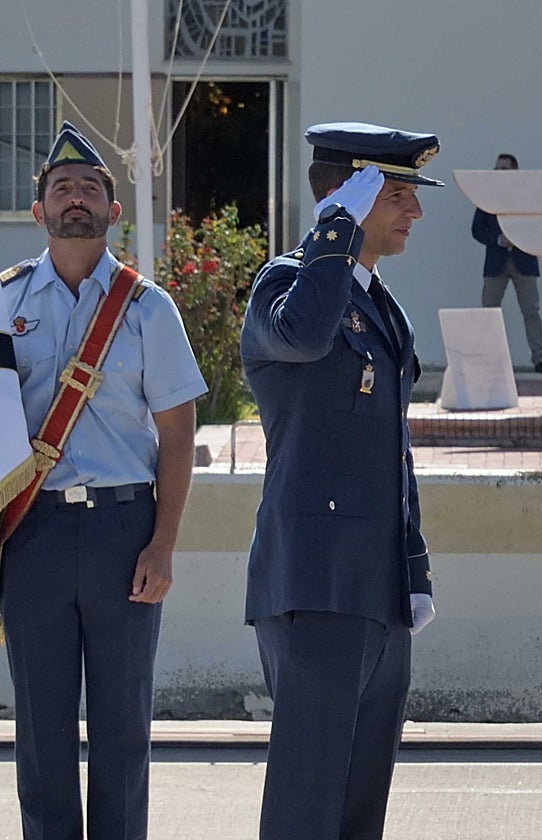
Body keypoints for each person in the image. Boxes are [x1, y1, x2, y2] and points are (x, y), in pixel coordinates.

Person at [0, 121, 206, 839]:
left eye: (89, 187)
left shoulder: (148, 308)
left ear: (113, 210)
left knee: (123, 725)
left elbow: (177, 435)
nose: (76, 198)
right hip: (32, 532)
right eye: (62, 188)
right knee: (41, 727)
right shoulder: (5, 302)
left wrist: (163, 543)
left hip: (124, 530)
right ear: (39, 210)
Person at [240, 121, 439, 840]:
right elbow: (302, 337)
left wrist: (412, 567)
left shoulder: (380, 305)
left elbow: (392, 452)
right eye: (398, 194)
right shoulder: (287, 284)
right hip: (317, 582)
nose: (416, 210)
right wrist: (333, 232)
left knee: (359, 806)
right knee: (307, 803)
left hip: (377, 588)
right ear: (348, 196)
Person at [471, 153, 542, 372]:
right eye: (496, 169)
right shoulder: (486, 198)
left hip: (524, 262)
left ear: (515, 172)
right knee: (489, 313)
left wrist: (519, 239)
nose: (499, 173)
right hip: (495, 263)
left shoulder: (527, 198)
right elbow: (477, 230)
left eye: (504, 169)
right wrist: (498, 240)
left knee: (531, 312)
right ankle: (489, 360)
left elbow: (538, 227)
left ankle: (540, 359)